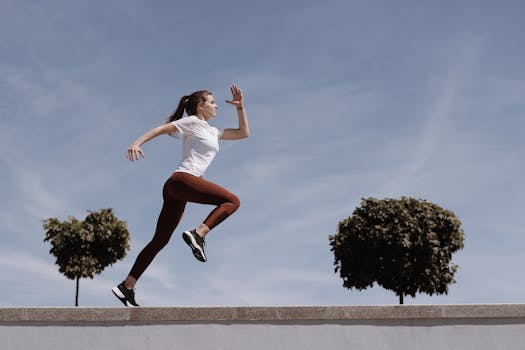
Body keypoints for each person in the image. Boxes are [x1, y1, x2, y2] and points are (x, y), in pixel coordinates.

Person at [112, 84, 249, 307]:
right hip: (181, 180)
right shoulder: (192, 122)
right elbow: (160, 129)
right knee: (233, 201)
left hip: (178, 189)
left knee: (160, 240)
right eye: (212, 102)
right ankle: (199, 233)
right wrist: (136, 143)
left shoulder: (213, 131)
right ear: (200, 106)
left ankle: (126, 286)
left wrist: (240, 108)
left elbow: (243, 133)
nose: (216, 106)